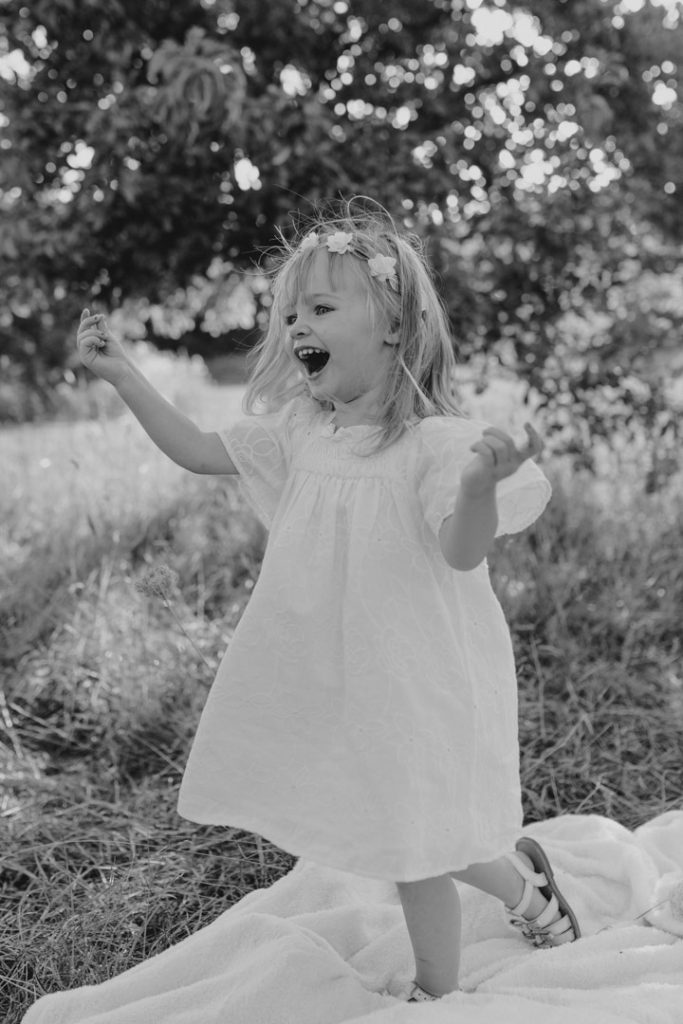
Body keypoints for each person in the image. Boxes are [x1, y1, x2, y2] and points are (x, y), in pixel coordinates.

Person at [76, 201, 580, 1003]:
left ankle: (440, 988)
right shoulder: (302, 430)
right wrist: (125, 376)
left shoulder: (433, 445)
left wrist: (479, 488)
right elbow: (199, 452)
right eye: (289, 314)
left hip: (414, 671)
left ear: (392, 326)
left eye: (319, 308)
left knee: (416, 842)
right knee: (406, 829)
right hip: (339, 669)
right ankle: (524, 883)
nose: (296, 325)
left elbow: (461, 550)